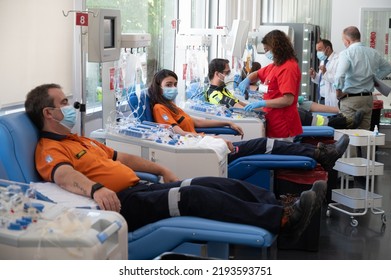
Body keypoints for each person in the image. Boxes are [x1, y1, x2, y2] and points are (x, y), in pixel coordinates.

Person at [25, 83, 328, 242]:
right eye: (63, 102)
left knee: (213, 182)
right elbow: (63, 175)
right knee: (193, 196)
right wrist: (95, 190)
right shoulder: (48, 148)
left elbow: (121, 157)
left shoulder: (80, 140)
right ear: (48, 114)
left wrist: (160, 169)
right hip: (121, 204)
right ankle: (284, 222)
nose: (70, 106)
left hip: (140, 188)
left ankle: (281, 207)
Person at [149, 69, 349, 172]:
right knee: (265, 143)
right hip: (207, 152)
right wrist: (216, 141)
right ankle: (321, 153)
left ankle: (321, 152)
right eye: (169, 84)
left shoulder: (173, 107)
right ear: (158, 87)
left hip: (211, 148)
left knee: (266, 143)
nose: (173, 87)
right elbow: (180, 133)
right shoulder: (160, 108)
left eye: (175, 84)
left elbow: (197, 122)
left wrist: (225, 123)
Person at [206, 58, 362, 129]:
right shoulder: (216, 94)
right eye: (226, 72)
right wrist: (268, 106)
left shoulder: (224, 89)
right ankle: (342, 122)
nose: (229, 75)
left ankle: (341, 121)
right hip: (253, 118)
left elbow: (243, 104)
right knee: (297, 113)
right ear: (217, 73)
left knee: (298, 110)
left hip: (261, 111)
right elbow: (240, 108)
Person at [334, 26, 391, 130]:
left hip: (350, 99)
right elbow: (388, 68)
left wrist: (338, 92)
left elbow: (339, 75)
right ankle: (365, 147)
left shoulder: (346, 53)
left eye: (343, 40)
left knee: (348, 132)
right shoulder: (373, 52)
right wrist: (373, 78)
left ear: (347, 40)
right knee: (364, 133)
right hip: (367, 99)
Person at [309, 39, 339, 107]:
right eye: (317, 50)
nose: (318, 53)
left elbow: (338, 80)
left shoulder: (338, 59)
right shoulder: (323, 61)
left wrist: (325, 72)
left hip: (332, 98)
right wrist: (314, 76)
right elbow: (322, 81)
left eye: (320, 50)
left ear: (327, 48)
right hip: (322, 98)